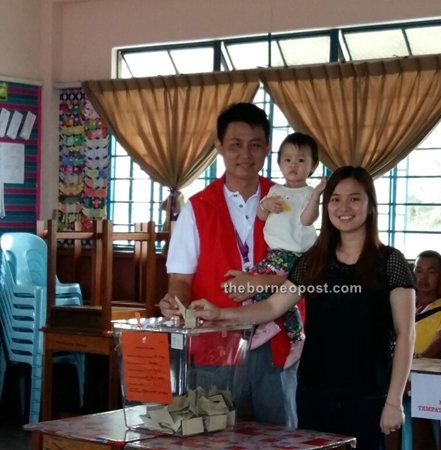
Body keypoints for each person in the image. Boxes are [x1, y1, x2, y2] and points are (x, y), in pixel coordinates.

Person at [190, 166, 416, 450]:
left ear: (370, 206)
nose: (344, 207)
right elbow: (272, 306)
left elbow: (405, 334)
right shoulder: (314, 261)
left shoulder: (391, 262)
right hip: (313, 392)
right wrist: (221, 313)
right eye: (335, 199)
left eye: (354, 199)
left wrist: (394, 401)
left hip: (368, 395)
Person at [159, 102, 298, 427]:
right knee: (213, 435)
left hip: (276, 341)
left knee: (280, 439)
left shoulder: (289, 202)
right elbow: (180, 279)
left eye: (254, 145)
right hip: (213, 344)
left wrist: (261, 283)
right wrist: (174, 302)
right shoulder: (197, 208)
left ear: (267, 148)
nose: (245, 154)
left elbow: (305, 274)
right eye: (235, 144)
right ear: (219, 146)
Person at [246, 132, 326, 370]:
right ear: (279, 163)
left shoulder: (309, 193)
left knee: (254, 282)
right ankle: (296, 337)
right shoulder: (275, 190)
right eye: (288, 159)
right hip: (275, 253)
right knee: (282, 297)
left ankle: (270, 323)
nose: (293, 164)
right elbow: (261, 216)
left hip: (293, 255)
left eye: (301, 160)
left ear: (312, 166)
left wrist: (317, 197)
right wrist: (264, 205)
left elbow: (307, 220)